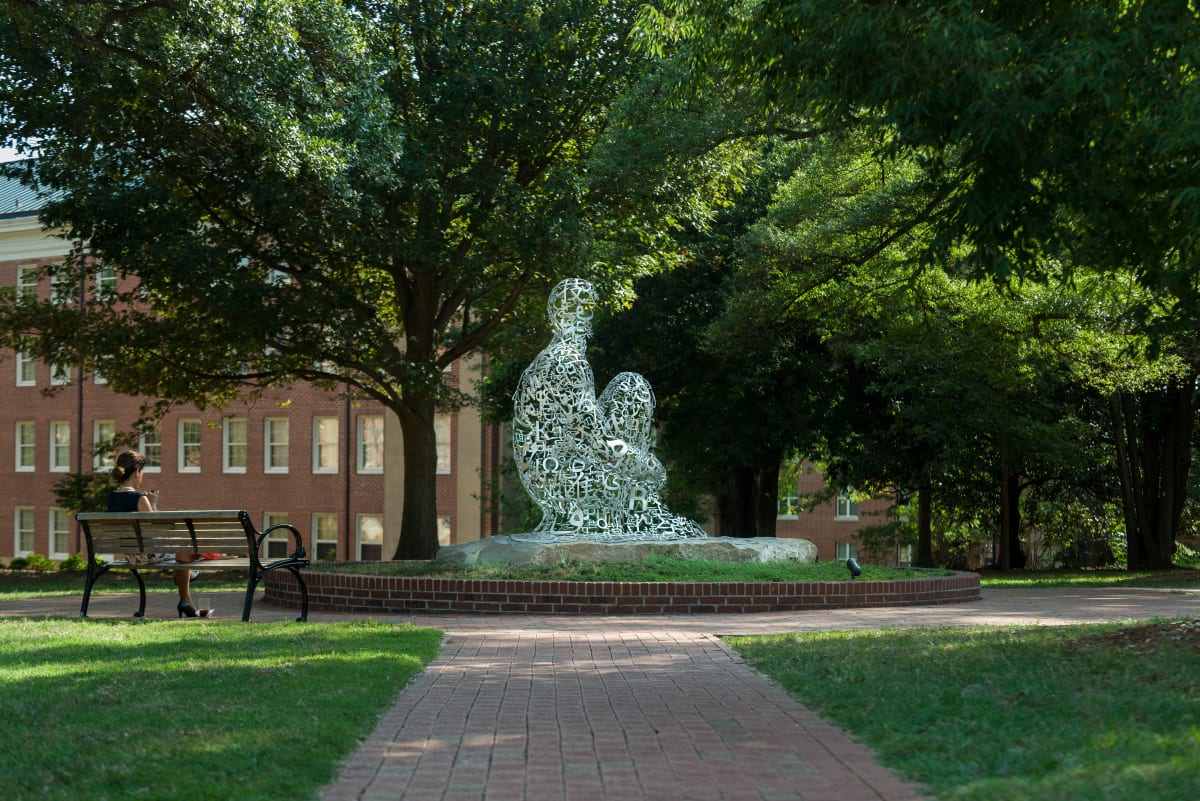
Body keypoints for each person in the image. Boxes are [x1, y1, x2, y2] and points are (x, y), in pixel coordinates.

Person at [511, 278, 705, 540]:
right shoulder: (566, 362)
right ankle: (632, 509)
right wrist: (651, 468)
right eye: (576, 308)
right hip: (555, 475)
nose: (584, 317)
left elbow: (588, 435)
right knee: (633, 388)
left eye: (587, 308)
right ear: (557, 315)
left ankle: (630, 507)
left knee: (630, 384)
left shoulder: (557, 357)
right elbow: (598, 442)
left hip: (557, 467)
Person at [108, 450, 200, 618]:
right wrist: (154, 504)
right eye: (142, 473)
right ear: (137, 473)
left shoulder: (111, 498)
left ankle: (187, 596)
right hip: (148, 555)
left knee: (180, 552)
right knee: (184, 550)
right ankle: (188, 589)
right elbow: (158, 531)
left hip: (130, 555)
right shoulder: (140, 498)